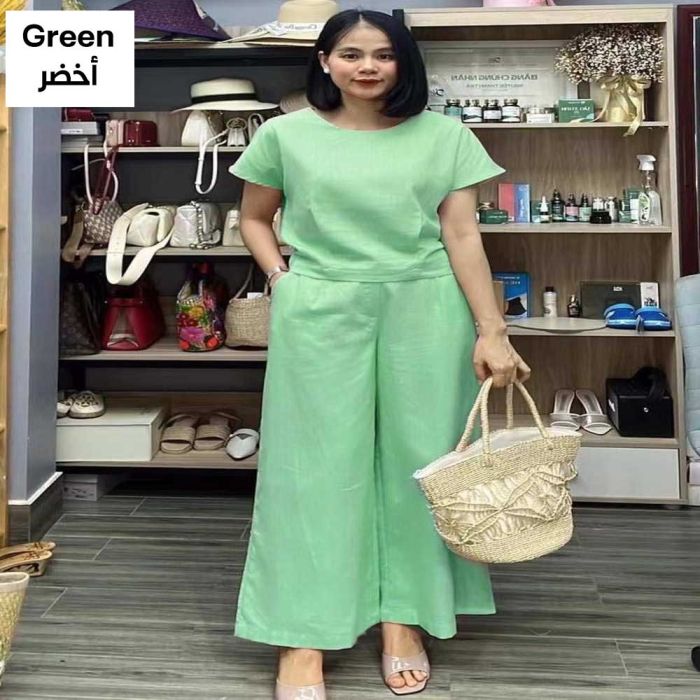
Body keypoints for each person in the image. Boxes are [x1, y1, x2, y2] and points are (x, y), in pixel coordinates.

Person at [229, 9, 531, 699]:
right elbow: (254, 216)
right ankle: (301, 635)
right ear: (325, 62)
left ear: (404, 63)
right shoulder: (284, 135)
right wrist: (281, 277)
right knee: (309, 469)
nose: (367, 66)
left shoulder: (446, 136)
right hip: (319, 307)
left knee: (421, 462)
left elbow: (462, 236)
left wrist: (492, 330)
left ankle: (405, 618)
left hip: (424, 307)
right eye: (351, 53)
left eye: (384, 54)